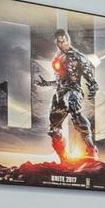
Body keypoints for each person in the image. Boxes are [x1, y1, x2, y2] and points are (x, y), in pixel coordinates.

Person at [36, 28, 100, 163]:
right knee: (54, 129)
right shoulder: (57, 58)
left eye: (63, 41)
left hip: (73, 90)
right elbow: (60, 81)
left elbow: (89, 76)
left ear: (67, 40)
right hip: (59, 94)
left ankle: (91, 149)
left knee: (75, 112)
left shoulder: (78, 57)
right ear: (56, 42)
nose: (61, 44)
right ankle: (64, 159)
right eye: (58, 42)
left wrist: (93, 85)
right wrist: (46, 83)